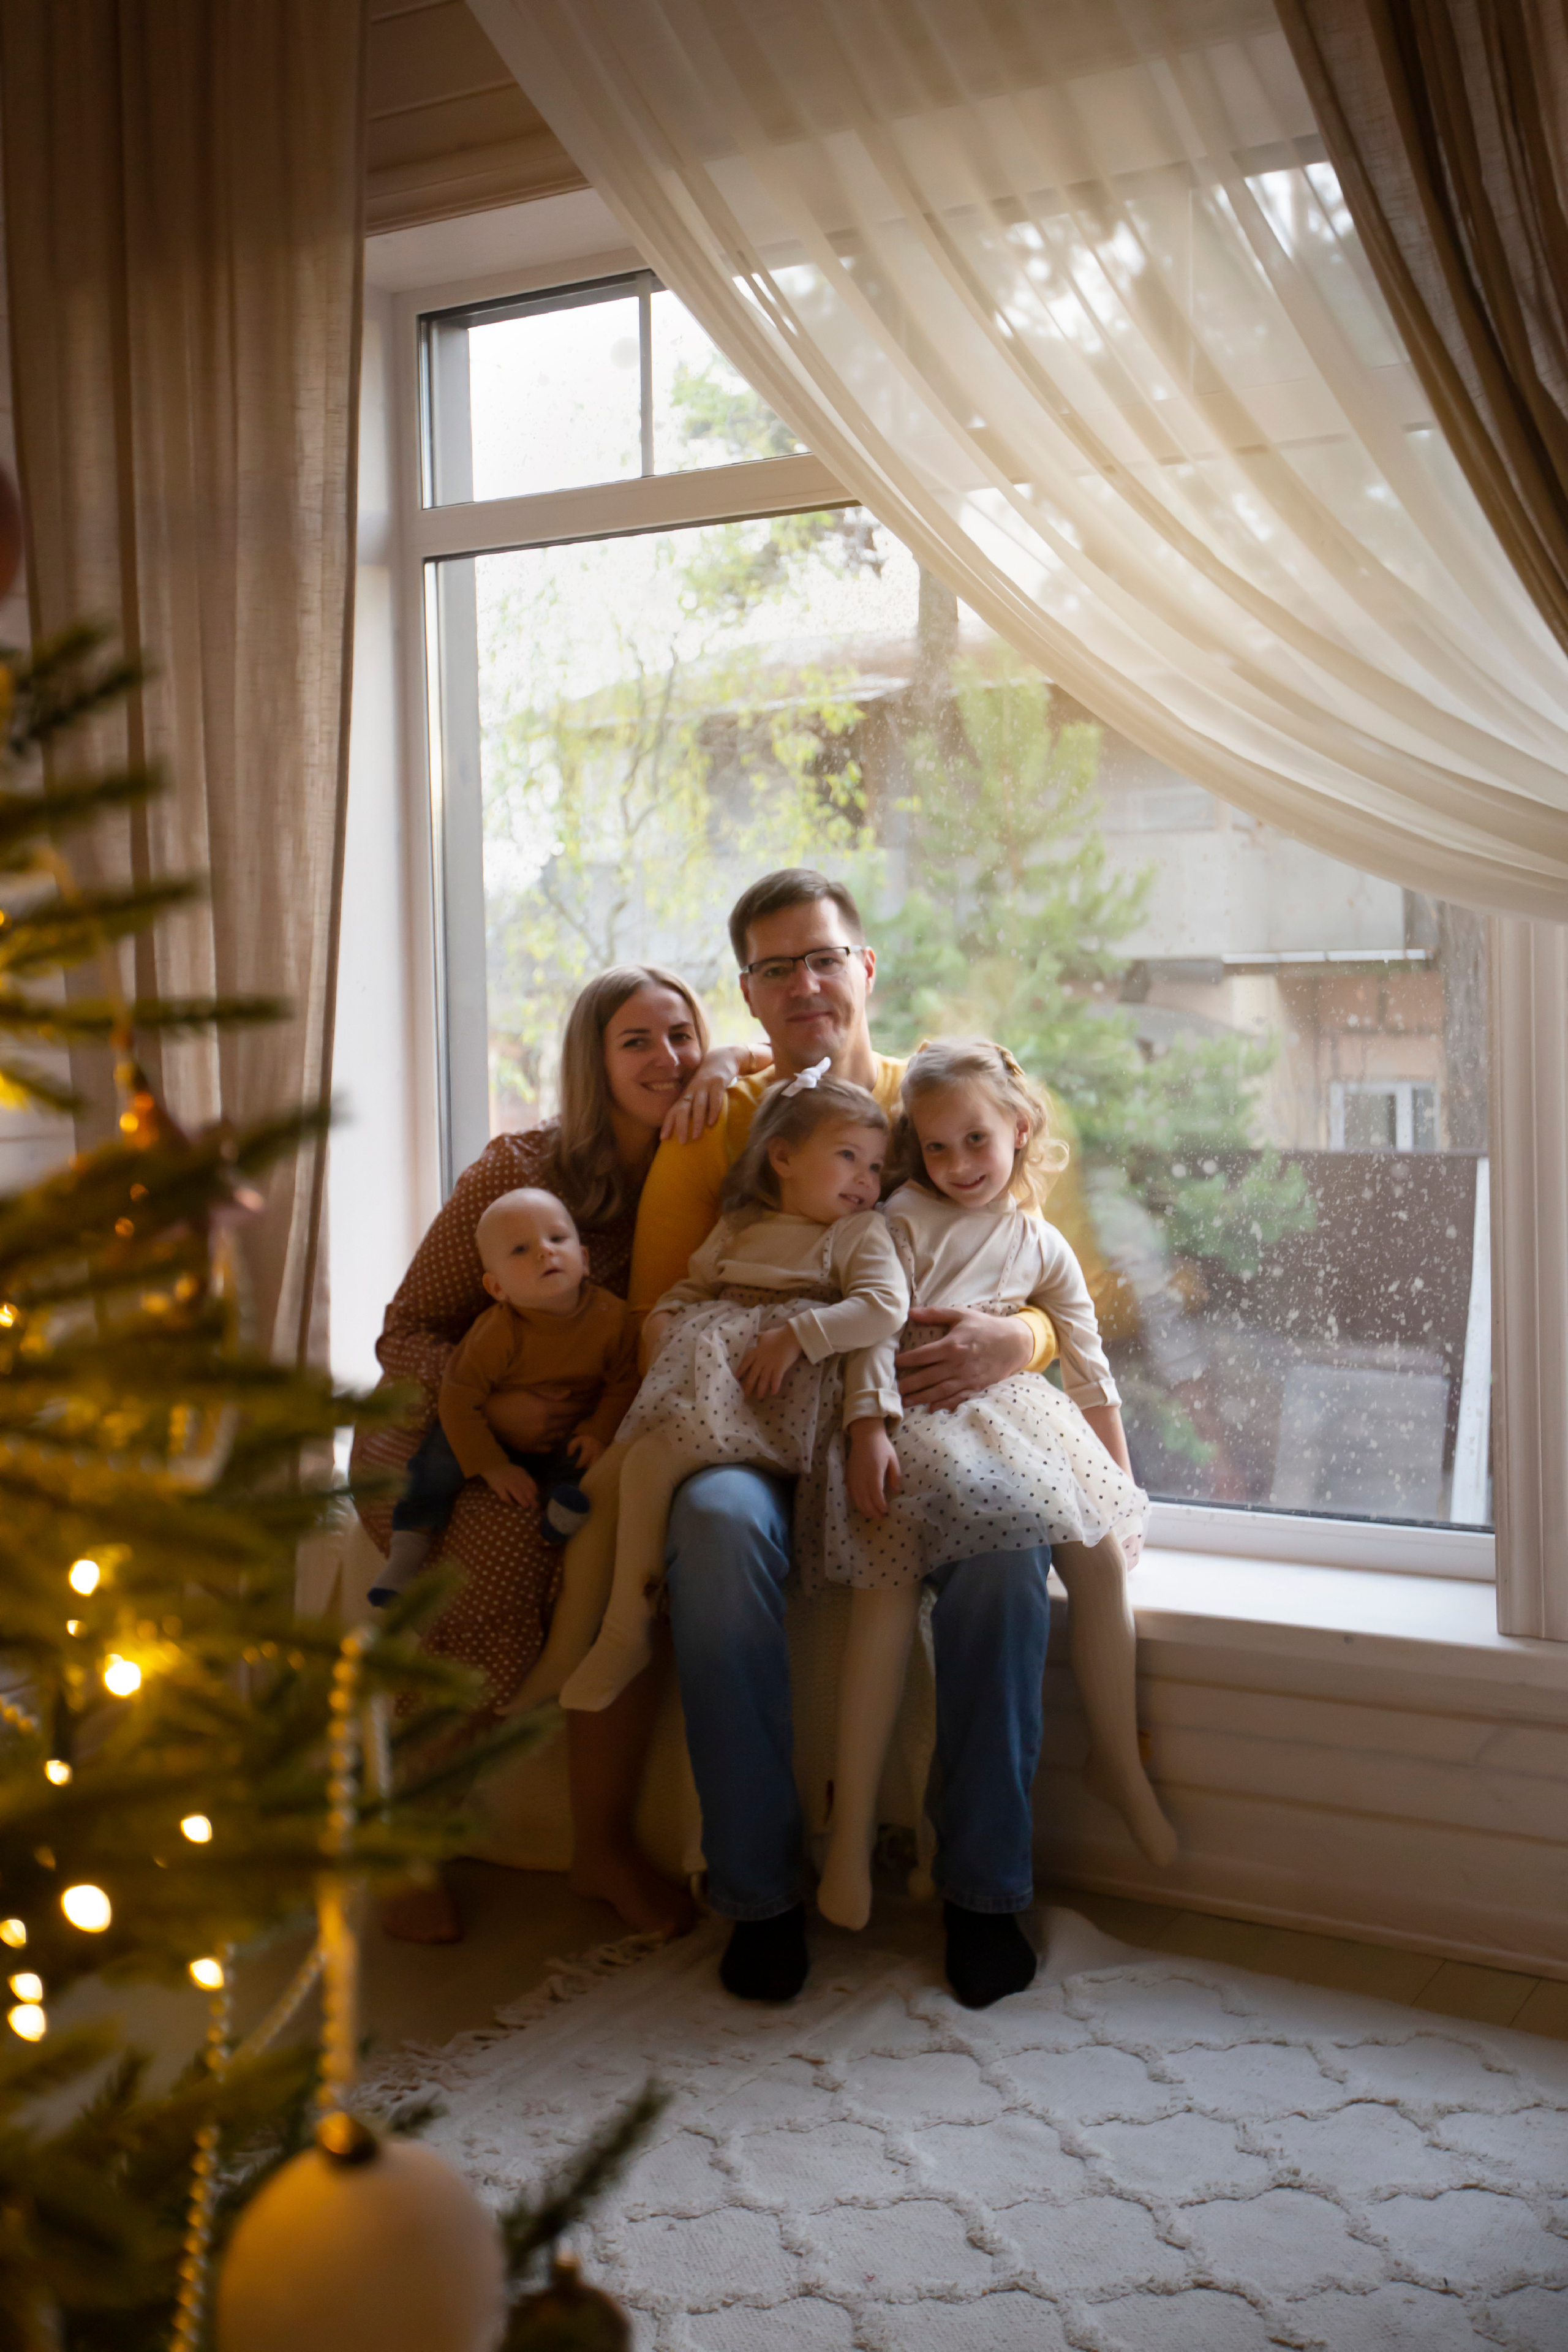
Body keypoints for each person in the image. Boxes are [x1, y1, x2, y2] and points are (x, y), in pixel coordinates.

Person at [625, 869, 1069, 2011]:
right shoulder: (716, 1123)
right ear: (748, 994)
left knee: (1006, 1553)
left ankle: (984, 1888)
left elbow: (1033, 1273)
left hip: (915, 1425)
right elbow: (662, 1308)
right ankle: (759, 1892)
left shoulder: (928, 1105)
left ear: (864, 968)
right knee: (715, 1530)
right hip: (761, 1431)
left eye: (824, 958)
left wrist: (1018, 1342)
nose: (806, 983)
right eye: (776, 967)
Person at [352, 963, 763, 1943]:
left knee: (642, 1566)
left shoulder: (706, 1166)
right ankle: (407, 1836)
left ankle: (602, 1849)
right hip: (445, 1432)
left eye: (683, 1036)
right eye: (636, 1042)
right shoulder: (519, 1174)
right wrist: (498, 1408)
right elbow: (404, 1331)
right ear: (594, 1061)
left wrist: (733, 1061)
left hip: (592, 1444)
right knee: (501, 1552)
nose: (667, 1059)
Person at [807, 1038, 1170, 1938]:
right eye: (936, 1147)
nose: (959, 1164)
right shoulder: (894, 1224)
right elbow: (871, 1335)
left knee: (1100, 1562)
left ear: (1019, 1127)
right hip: (917, 1428)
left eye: (976, 1139)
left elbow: (1089, 1371)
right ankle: (849, 1839)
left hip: (1018, 1425)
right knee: (886, 1601)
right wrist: (865, 1428)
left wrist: (1118, 1491)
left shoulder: (1040, 1241)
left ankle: (1119, 1764)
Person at [516, 1069, 907, 1714]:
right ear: (783, 1157)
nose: (866, 1180)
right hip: (714, 1392)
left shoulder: (858, 1233)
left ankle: (626, 1631)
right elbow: (694, 1285)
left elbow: (885, 1307)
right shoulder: (740, 1225)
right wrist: (666, 1317)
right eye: (848, 1157)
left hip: (778, 1400)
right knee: (599, 1487)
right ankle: (562, 1651)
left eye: (875, 1166)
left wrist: (796, 1335)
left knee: (649, 1462)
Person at [368, 1188, 639, 1609]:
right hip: (491, 1434)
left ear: (584, 1259)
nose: (545, 1252)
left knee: (584, 1466)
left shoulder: (613, 1318)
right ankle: (408, 1550)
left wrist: (597, 1431)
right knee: (437, 1458)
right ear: (497, 1287)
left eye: (558, 1239)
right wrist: (493, 1466)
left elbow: (625, 1382)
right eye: (521, 1249)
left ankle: (559, 1515)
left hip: (564, 1434)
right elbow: (457, 1401)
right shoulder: (497, 1333)